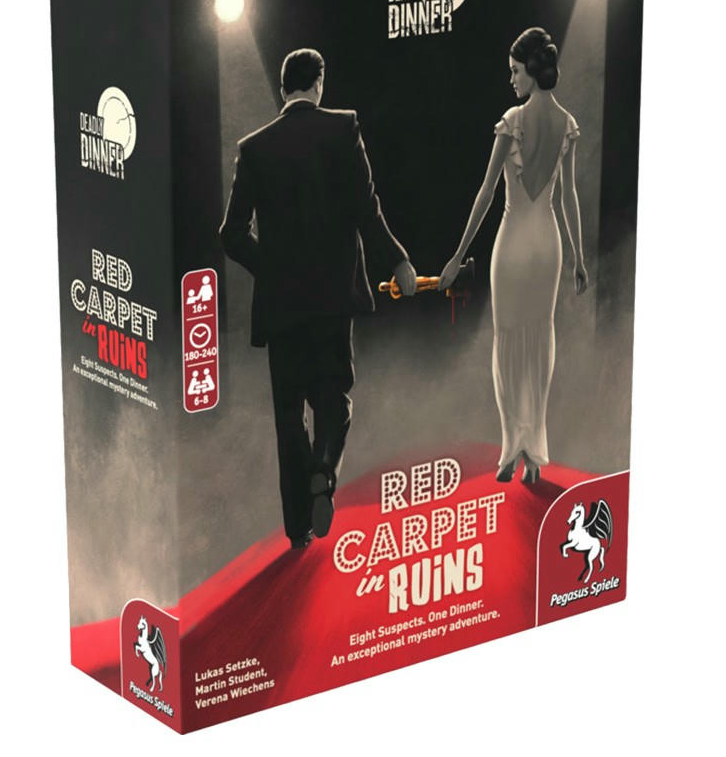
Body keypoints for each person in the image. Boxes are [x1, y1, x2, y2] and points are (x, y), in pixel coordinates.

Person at [220, 48, 417, 548]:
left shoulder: (253, 148)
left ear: (283, 88)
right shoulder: (343, 128)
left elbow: (231, 234)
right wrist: (398, 261)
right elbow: (367, 208)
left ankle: (297, 530)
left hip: (282, 305)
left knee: (289, 413)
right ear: (319, 83)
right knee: (333, 396)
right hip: (332, 296)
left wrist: (274, 270)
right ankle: (325, 470)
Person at [439, 27, 587, 484]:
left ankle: (512, 449)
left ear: (532, 70)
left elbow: (486, 194)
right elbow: (568, 197)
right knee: (540, 342)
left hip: (514, 245)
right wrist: (579, 258)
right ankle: (533, 455)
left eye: (515, 71)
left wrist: (457, 256)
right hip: (547, 246)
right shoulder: (567, 122)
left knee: (507, 342)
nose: (511, 80)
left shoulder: (512, 120)